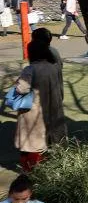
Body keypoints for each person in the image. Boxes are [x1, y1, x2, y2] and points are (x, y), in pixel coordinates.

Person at [13, 35, 65, 170]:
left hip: (33, 110)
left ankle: (30, 173)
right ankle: (45, 169)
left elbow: (22, 89)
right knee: (46, 142)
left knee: (31, 145)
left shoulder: (30, 69)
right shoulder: (52, 67)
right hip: (51, 107)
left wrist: (17, 82)